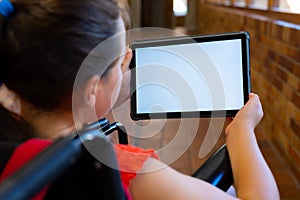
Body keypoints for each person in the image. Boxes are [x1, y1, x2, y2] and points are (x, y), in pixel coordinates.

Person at [0, 0, 280, 199]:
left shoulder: (11, 149)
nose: (128, 68)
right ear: (92, 90)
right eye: (123, 62)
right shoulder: (116, 167)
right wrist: (241, 130)